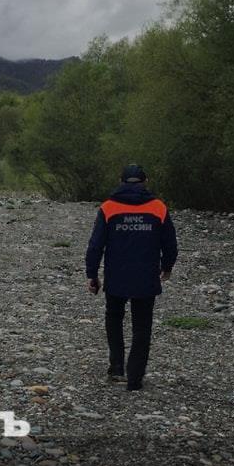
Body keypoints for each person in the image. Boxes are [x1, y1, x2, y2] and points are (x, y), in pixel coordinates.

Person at [85, 164, 177, 391]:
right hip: (146, 276)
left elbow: (96, 245)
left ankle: (117, 368)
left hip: (116, 275)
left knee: (114, 317)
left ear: (121, 181)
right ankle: (135, 378)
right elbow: (170, 243)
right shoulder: (158, 207)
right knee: (142, 326)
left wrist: (92, 274)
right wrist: (167, 267)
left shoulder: (108, 207)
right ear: (146, 181)